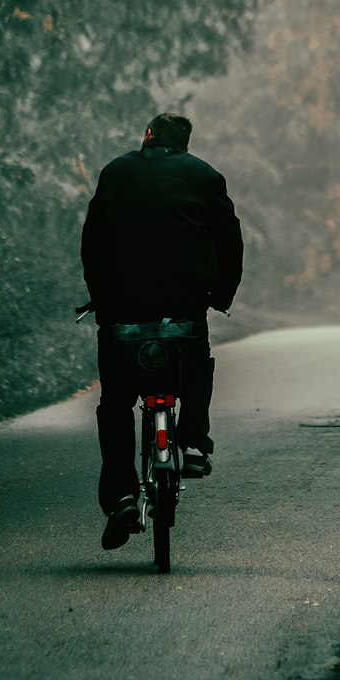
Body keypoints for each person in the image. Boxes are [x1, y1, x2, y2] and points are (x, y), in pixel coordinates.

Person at [80, 112, 243, 550]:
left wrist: (99, 296)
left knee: (116, 403)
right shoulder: (205, 175)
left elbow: (91, 239)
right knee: (194, 368)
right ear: (186, 144)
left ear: (146, 137)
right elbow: (229, 238)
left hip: (121, 309)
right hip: (184, 304)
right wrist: (222, 294)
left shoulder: (115, 172)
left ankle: (122, 496)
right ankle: (191, 442)